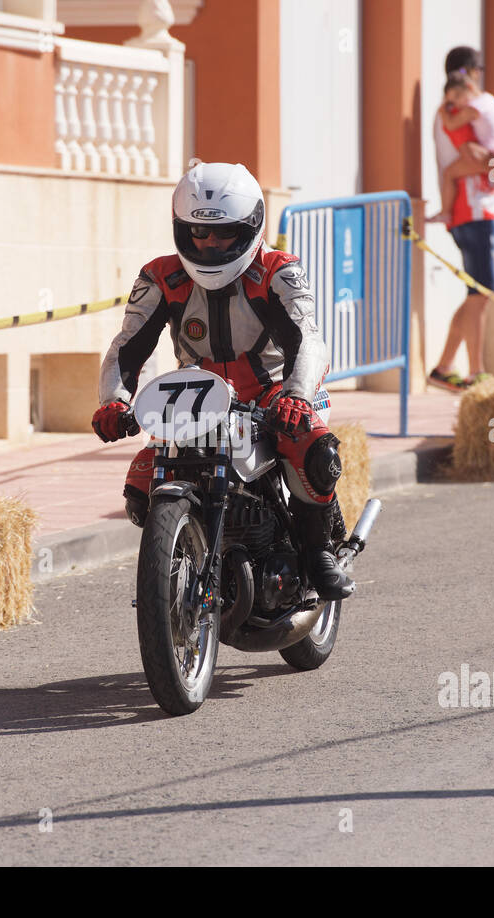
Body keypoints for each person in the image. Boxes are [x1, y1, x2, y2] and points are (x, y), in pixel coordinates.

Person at [91, 161, 354, 601]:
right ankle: (180, 556)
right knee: (139, 487)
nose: (210, 245)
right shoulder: (160, 276)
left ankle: (317, 553)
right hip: (194, 395)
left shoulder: (278, 270)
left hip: (272, 394)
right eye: (199, 233)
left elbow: (309, 339)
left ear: (251, 226)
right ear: (181, 229)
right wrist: (114, 400)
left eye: (224, 233)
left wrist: (296, 396)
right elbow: (128, 345)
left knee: (315, 452)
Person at [425, 46, 494, 393]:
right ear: (469, 73)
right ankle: (474, 371)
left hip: (476, 210)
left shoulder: (458, 111)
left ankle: (446, 366)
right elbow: (478, 158)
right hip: (473, 210)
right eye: (478, 70)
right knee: (480, 293)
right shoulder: (455, 112)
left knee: (475, 293)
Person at [427, 71, 494, 230]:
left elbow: (451, 124)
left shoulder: (474, 107)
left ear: (470, 87)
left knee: (450, 173)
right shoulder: (490, 99)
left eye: (457, 97)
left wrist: (443, 109)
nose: (456, 104)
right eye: (452, 101)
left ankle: (445, 212)